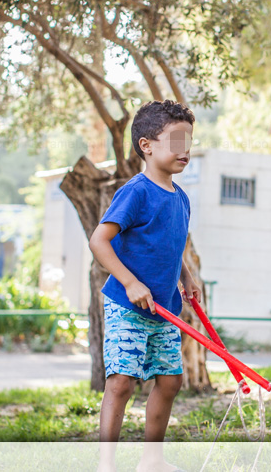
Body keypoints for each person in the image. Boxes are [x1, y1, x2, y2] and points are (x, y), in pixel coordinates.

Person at [88, 100, 202, 472]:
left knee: (170, 382)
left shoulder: (181, 198)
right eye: (176, 140)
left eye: (189, 140)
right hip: (126, 304)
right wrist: (130, 282)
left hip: (164, 309)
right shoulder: (135, 191)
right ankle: (107, 464)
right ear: (147, 145)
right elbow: (98, 241)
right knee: (122, 382)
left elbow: (174, 244)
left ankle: (151, 460)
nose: (185, 149)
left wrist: (186, 277)